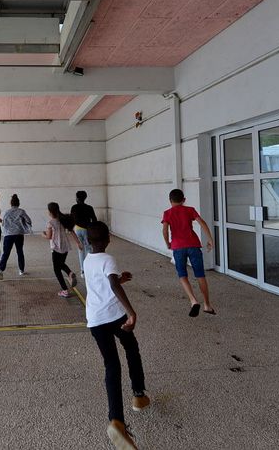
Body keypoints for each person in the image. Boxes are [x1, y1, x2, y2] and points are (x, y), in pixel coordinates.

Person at [84, 221, 150, 449]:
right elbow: (111, 285)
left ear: (87, 241)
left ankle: (117, 421)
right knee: (131, 347)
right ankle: (139, 395)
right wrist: (131, 313)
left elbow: (103, 281)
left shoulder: (88, 258)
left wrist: (119, 278)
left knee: (111, 365)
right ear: (109, 239)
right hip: (115, 317)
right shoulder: (108, 259)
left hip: (95, 320)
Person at [161, 189, 216, 317]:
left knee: (182, 275)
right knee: (200, 275)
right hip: (193, 245)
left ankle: (193, 300)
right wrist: (210, 240)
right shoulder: (190, 210)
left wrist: (168, 243)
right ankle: (207, 305)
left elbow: (164, 230)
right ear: (184, 200)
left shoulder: (167, 213)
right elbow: (202, 223)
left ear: (170, 201)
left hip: (178, 247)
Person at [42, 202, 82, 299]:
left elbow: (49, 236)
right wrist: (78, 243)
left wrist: (42, 234)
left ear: (50, 212)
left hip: (56, 247)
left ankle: (65, 290)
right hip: (65, 246)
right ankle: (70, 273)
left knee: (56, 269)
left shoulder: (51, 223)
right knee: (61, 263)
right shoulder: (63, 220)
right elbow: (72, 231)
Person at [0, 194, 32, 280]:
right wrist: (25, 225)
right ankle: (21, 270)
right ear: (18, 203)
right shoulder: (21, 211)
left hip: (8, 235)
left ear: (10, 204)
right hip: (19, 234)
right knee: (20, 251)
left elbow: (3, 223)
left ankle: (0, 270)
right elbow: (29, 220)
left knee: (6, 252)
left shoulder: (7, 212)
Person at [71, 190, 97, 276]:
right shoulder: (89, 208)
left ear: (77, 198)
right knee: (89, 249)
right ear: (85, 198)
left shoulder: (74, 207)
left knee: (81, 250)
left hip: (77, 230)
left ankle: (83, 271)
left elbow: (71, 219)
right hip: (87, 230)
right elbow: (94, 220)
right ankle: (89, 269)